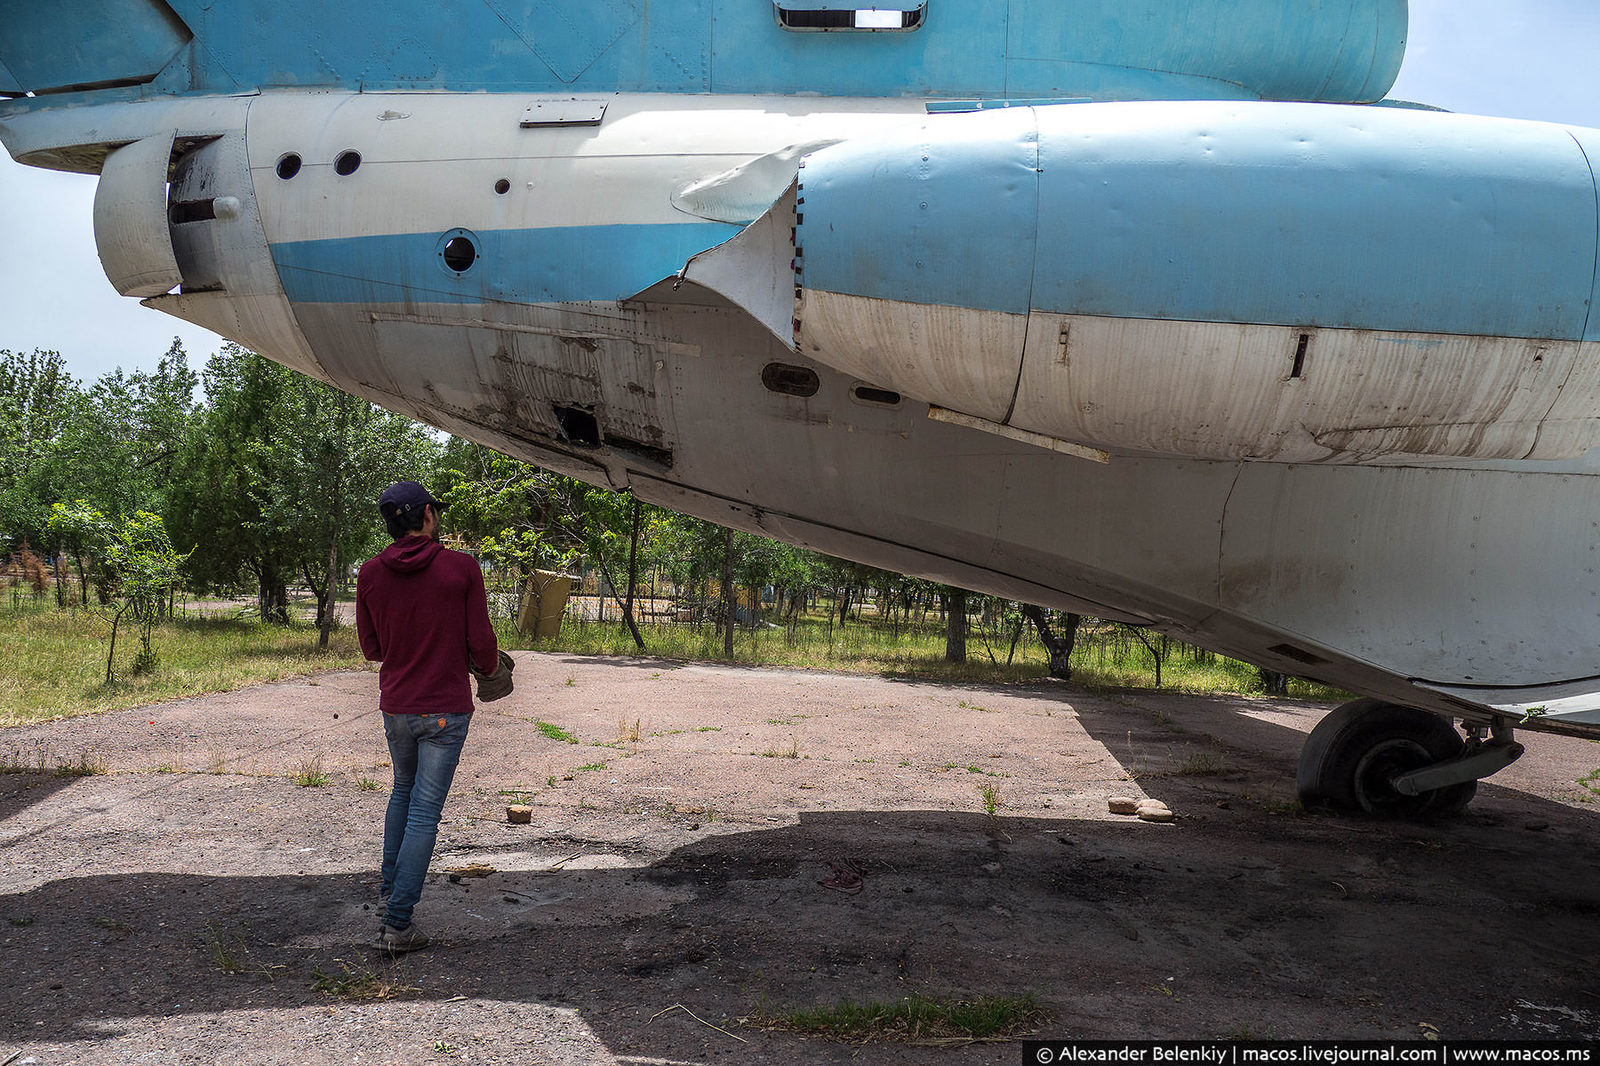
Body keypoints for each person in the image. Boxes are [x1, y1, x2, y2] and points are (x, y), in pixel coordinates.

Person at [355, 480, 508, 952]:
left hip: (397, 707)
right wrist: (490, 671)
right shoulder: (460, 568)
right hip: (444, 709)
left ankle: (388, 898)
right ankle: (398, 925)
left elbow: (371, 648)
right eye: (434, 512)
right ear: (425, 516)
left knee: (403, 793)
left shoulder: (370, 574)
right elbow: (482, 643)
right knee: (425, 810)